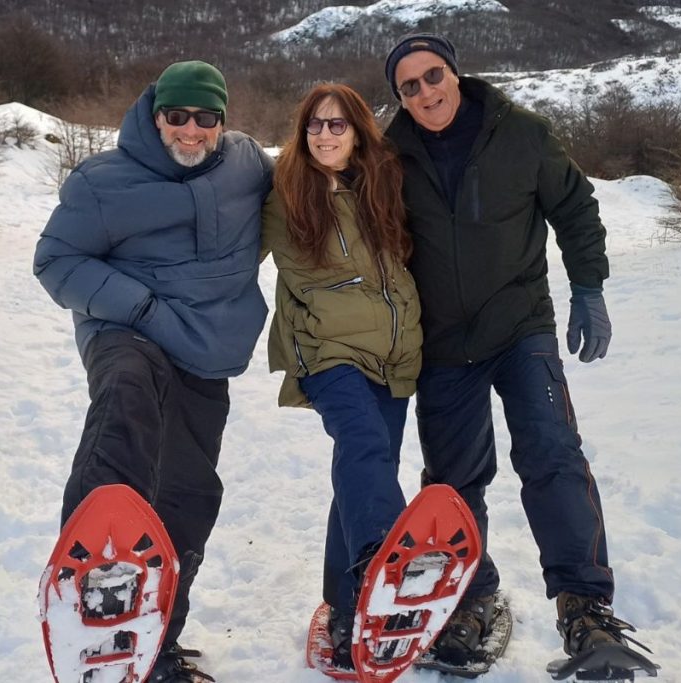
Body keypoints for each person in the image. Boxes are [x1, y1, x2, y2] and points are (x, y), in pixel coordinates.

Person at [382, 33, 641, 668]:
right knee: (453, 480)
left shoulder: (520, 132)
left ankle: (585, 609)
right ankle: (471, 597)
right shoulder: (390, 153)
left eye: (432, 75)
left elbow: (575, 206)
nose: (425, 92)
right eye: (408, 86)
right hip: (442, 343)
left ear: (454, 72)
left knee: (552, 453)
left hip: (520, 324)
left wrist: (587, 288)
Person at [33, 60, 273, 683]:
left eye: (205, 117)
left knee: (189, 492)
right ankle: (93, 570)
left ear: (222, 120)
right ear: (154, 114)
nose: (190, 130)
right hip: (127, 330)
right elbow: (56, 260)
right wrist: (136, 304)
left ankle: (154, 641)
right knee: (126, 400)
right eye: (177, 116)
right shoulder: (102, 182)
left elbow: (311, 190)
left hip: (204, 349)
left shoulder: (249, 165)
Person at [261, 83, 422, 670]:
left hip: (394, 352)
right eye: (314, 126)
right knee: (362, 444)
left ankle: (347, 608)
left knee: (366, 469)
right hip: (326, 351)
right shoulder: (285, 189)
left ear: (357, 132)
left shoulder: (383, 183)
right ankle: (387, 555)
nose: (323, 135)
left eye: (336, 126)